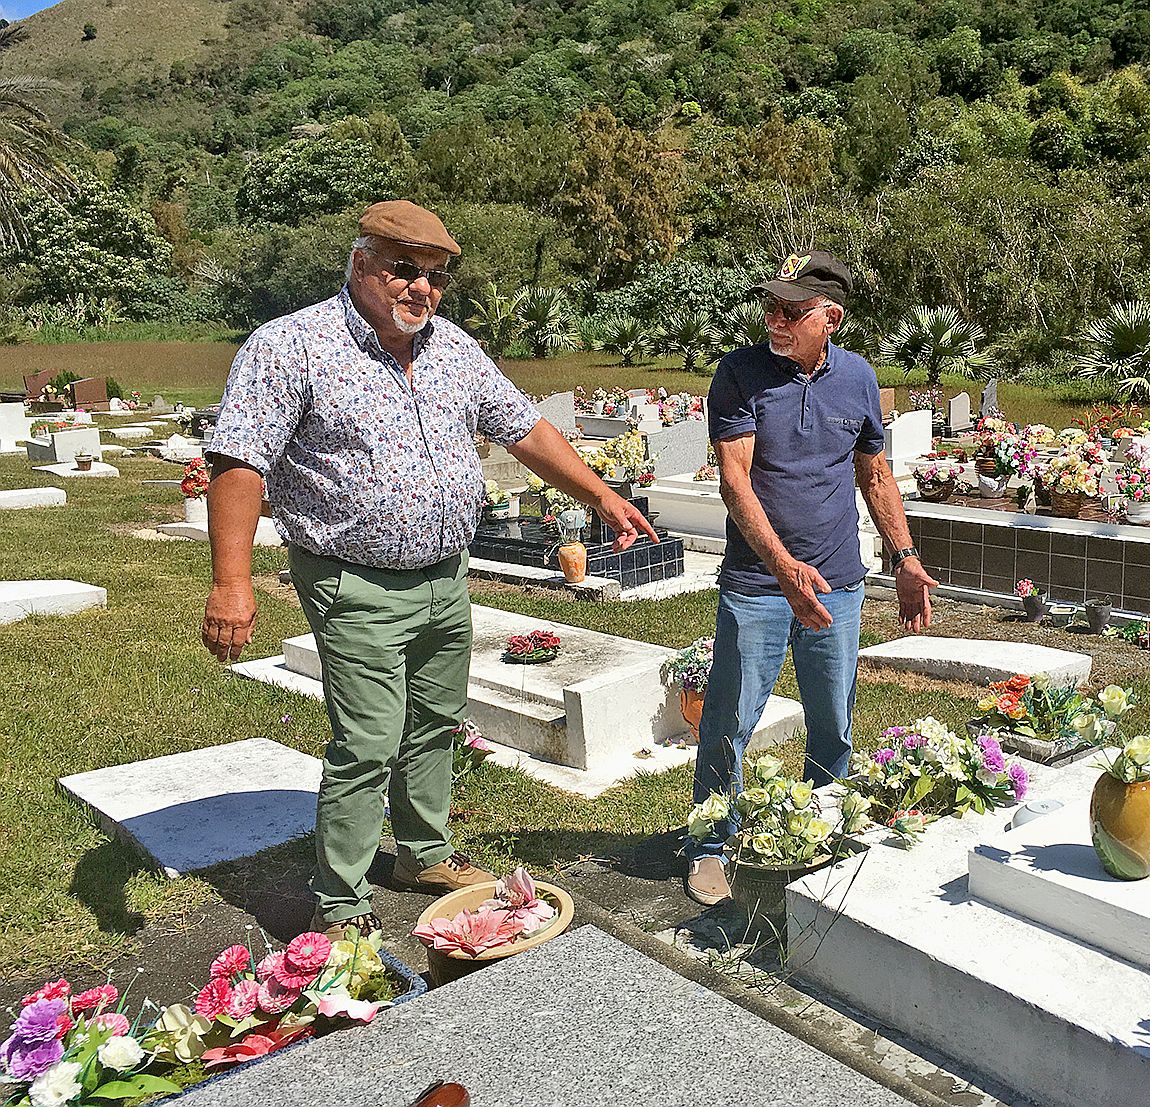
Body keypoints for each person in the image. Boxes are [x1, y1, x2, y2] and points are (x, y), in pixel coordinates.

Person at [200, 200, 658, 939]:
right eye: (404, 269)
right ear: (360, 264)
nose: (422, 288)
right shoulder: (292, 345)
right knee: (370, 738)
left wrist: (601, 493)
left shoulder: (451, 349)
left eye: (437, 276)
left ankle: (423, 854)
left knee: (437, 721)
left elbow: (526, 429)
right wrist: (233, 581)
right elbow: (239, 458)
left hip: (446, 574)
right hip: (353, 577)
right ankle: (342, 901)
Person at [685, 249, 938, 904]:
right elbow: (735, 481)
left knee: (833, 725)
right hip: (758, 585)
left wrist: (905, 558)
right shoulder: (738, 375)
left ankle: (823, 832)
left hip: (840, 585)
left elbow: (875, 475)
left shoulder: (856, 378)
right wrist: (783, 568)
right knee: (728, 724)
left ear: (831, 317)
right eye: (769, 305)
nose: (774, 318)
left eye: (791, 310)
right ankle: (711, 842)